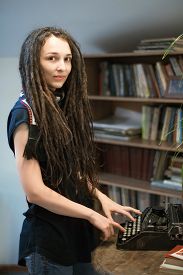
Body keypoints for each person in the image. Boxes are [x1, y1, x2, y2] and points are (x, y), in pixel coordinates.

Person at [7, 26, 141, 275]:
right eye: (52, 58)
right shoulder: (24, 115)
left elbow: (68, 168)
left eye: (67, 59)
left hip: (76, 234)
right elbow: (35, 192)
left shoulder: (56, 105)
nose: (63, 67)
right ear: (33, 63)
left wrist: (101, 197)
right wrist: (92, 214)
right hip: (50, 243)